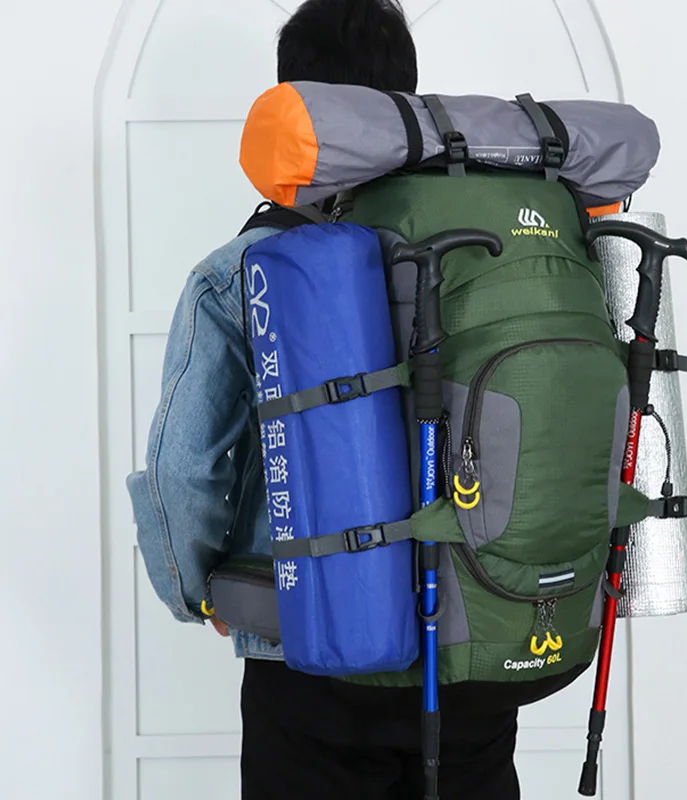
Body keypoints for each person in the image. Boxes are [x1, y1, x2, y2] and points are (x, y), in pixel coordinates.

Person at [129, 2, 543, 797]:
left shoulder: (244, 268)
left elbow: (184, 467)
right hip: (473, 648)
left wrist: (199, 591)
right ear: (408, 99)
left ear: (291, 102)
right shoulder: (496, 248)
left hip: (311, 649)